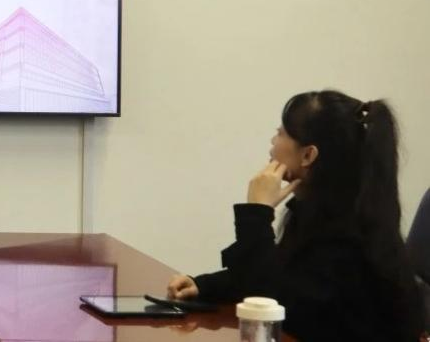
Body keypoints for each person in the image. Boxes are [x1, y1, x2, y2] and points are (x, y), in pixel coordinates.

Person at [166, 90, 423, 342]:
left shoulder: (347, 236)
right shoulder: (320, 211)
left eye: (281, 133)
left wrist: (257, 213)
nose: (272, 142)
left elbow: (271, 301)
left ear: (308, 155)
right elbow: (277, 273)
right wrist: (204, 285)